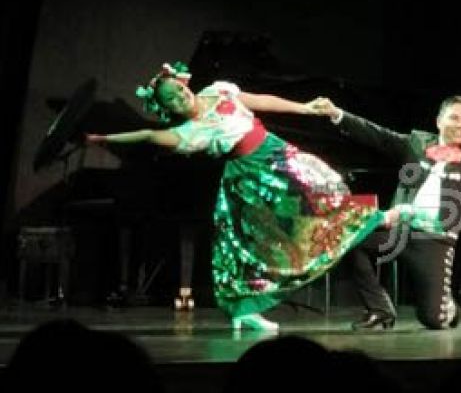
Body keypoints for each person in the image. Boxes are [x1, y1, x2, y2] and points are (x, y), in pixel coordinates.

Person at [85, 62, 382, 331]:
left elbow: (262, 101)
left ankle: (369, 218)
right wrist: (105, 139)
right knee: (261, 244)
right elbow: (148, 136)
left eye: (178, 90)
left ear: (184, 82)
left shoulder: (219, 91)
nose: (179, 97)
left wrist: (305, 108)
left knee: (328, 184)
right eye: (171, 100)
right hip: (252, 176)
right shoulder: (190, 132)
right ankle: (245, 310)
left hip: (278, 154)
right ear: (167, 109)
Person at [315, 94, 461, 331]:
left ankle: (447, 306)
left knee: (434, 321)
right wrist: (337, 115)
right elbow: (377, 135)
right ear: (439, 121)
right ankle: (380, 311)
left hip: (434, 241)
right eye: (454, 118)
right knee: (352, 241)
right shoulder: (416, 144)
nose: (460, 124)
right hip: (398, 230)